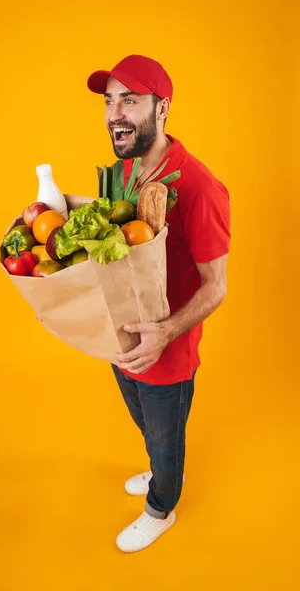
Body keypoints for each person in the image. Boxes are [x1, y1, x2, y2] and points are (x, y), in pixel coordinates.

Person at [87, 55, 231, 553]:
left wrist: (167, 332)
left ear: (161, 107)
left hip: (165, 353)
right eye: (109, 101)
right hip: (122, 339)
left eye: (130, 99)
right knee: (146, 426)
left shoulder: (199, 187)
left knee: (167, 441)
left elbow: (216, 285)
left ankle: (161, 506)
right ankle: (155, 464)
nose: (115, 113)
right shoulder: (122, 174)